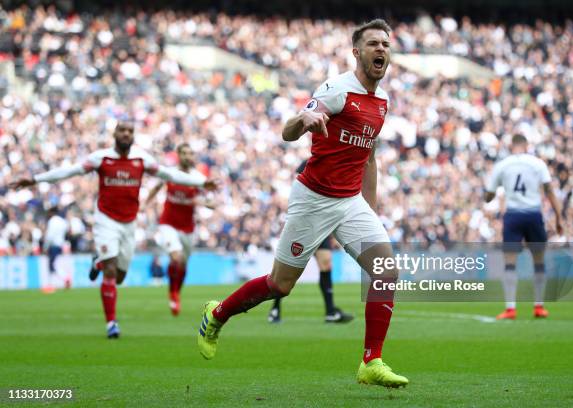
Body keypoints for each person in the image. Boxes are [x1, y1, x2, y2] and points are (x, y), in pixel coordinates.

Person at [197, 19, 408, 388]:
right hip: (313, 199)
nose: (381, 50)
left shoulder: (382, 103)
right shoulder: (337, 89)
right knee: (280, 285)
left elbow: (369, 157)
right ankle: (216, 314)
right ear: (356, 52)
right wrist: (304, 118)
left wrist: (369, 210)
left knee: (386, 271)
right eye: (373, 43)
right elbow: (287, 131)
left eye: (386, 45)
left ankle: (371, 361)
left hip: (350, 202)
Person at [10, 121, 217, 338]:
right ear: (115, 134)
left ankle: (98, 261)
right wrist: (35, 180)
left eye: (130, 131)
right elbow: (70, 171)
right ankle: (111, 324)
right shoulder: (101, 158)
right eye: (122, 130)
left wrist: (202, 184)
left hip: (129, 222)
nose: (126, 134)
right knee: (110, 271)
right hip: (106, 220)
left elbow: (170, 175)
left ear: (133, 135)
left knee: (118, 276)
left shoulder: (142, 159)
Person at [485, 134, 563, 320]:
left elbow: (489, 195)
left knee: (510, 262)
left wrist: (491, 195)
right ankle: (539, 307)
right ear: (526, 145)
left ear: (512, 145)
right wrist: (559, 217)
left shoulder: (502, 165)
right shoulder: (537, 164)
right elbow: (550, 191)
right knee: (539, 261)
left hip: (513, 215)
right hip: (533, 214)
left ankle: (510, 308)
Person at [268, 160, 354, 324]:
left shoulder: (336, 166)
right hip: (304, 224)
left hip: (322, 225)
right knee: (288, 272)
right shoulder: (310, 162)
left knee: (326, 264)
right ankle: (275, 308)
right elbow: (299, 185)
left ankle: (330, 312)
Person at [145, 143, 210, 316]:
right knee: (177, 256)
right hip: (168, 224)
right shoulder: (169, 173)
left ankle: (176, 291)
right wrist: (144, 205)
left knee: (182, 264)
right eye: (184, 153)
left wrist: (203, 202)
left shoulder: (198, 177)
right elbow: (156, 187)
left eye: (190, 153)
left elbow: (210, 201)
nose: (188, 156)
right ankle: (172, 294)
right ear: (178, 155)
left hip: (188, 228)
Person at [42, 206, 69, 293]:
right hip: (60, 245)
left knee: (51, 265)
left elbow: (50, 235)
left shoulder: (52, 221)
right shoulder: (63, 221)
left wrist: (45, 246)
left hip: (53, 245)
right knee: (54, 264)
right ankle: (63, 279)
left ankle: (51, 284)